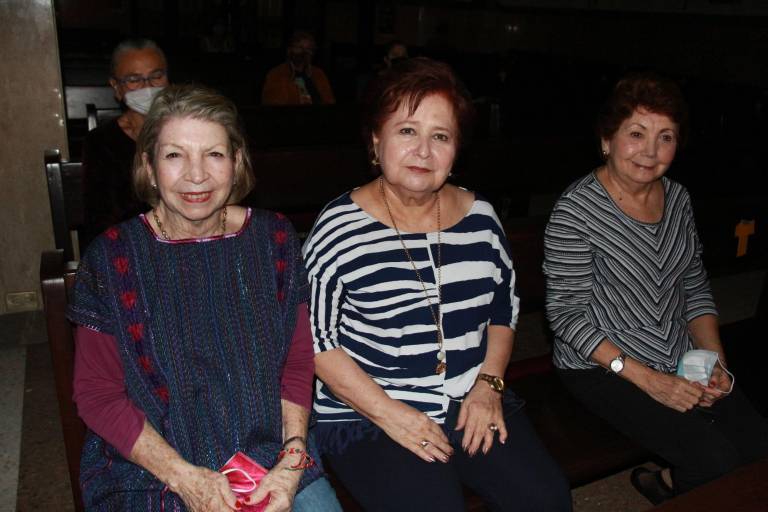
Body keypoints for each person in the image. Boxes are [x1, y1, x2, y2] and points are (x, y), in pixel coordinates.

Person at [303, 57, 571, 512]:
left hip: (471, 393)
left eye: (440, 136)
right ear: (375, 140)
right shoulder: (338, 228)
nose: (423, 151)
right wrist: (391, 415)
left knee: (547, 501)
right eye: (407, 131)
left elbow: (502, 312)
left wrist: (489, 385)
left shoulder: (481, 218)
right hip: (367, 410)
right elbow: (316, 341)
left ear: (456, 149)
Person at [68, 84, 342, 512]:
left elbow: (296, 363)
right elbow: (97, 395)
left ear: (237, 163)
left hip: (274, 451)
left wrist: (291, 461)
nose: (196, 175)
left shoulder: (274, 239)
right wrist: (183, 477)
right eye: (174, 155)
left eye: (214, 154)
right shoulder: (112, 258)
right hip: (150, 465)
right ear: (149, 165)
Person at [543, 71, 768, 505]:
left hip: (676, 353)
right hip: (603, 365)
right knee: (714, 460)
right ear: (607, 140)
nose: (650, 151)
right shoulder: (575, 212)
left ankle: (663, 480)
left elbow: (693, 284)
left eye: (665, 137)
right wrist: (649, 381)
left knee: (758, 446)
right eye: (636, 134)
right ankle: (672, 486)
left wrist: (714, 359)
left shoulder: (678, 198)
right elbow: (566, 316)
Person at [82, 38, 169, 248]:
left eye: (156, 76)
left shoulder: (189, 131)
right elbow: (101, 221)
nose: (147, 87)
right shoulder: (102, 142)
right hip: (131, 248)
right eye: (134, 79)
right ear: (116, 87)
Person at [261, 31, 335, 106]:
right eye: (299, 47)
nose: (304, 52)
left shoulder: (318, 74)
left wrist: (309, 79)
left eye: (308, 49)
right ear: (289, 50)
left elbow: (329, 102)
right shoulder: (276, 74)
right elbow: (273, 104)